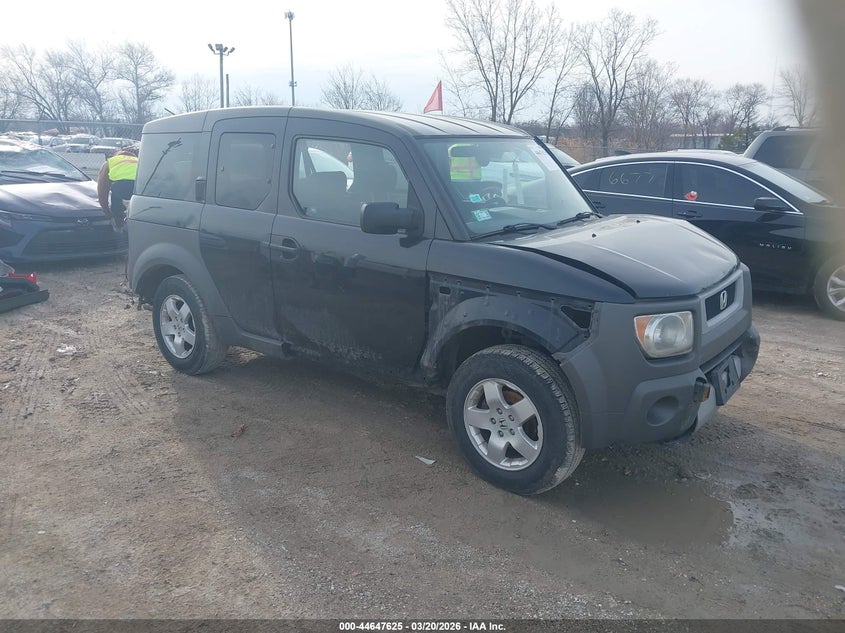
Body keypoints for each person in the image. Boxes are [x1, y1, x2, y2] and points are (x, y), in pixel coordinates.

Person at [97, 145, 139, 232]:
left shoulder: (110, 163)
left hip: (120, 189)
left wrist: (107, 212)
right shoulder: (139, 161)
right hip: (139, 191)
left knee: (115, 193)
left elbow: (102, 191)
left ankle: (119, 225)